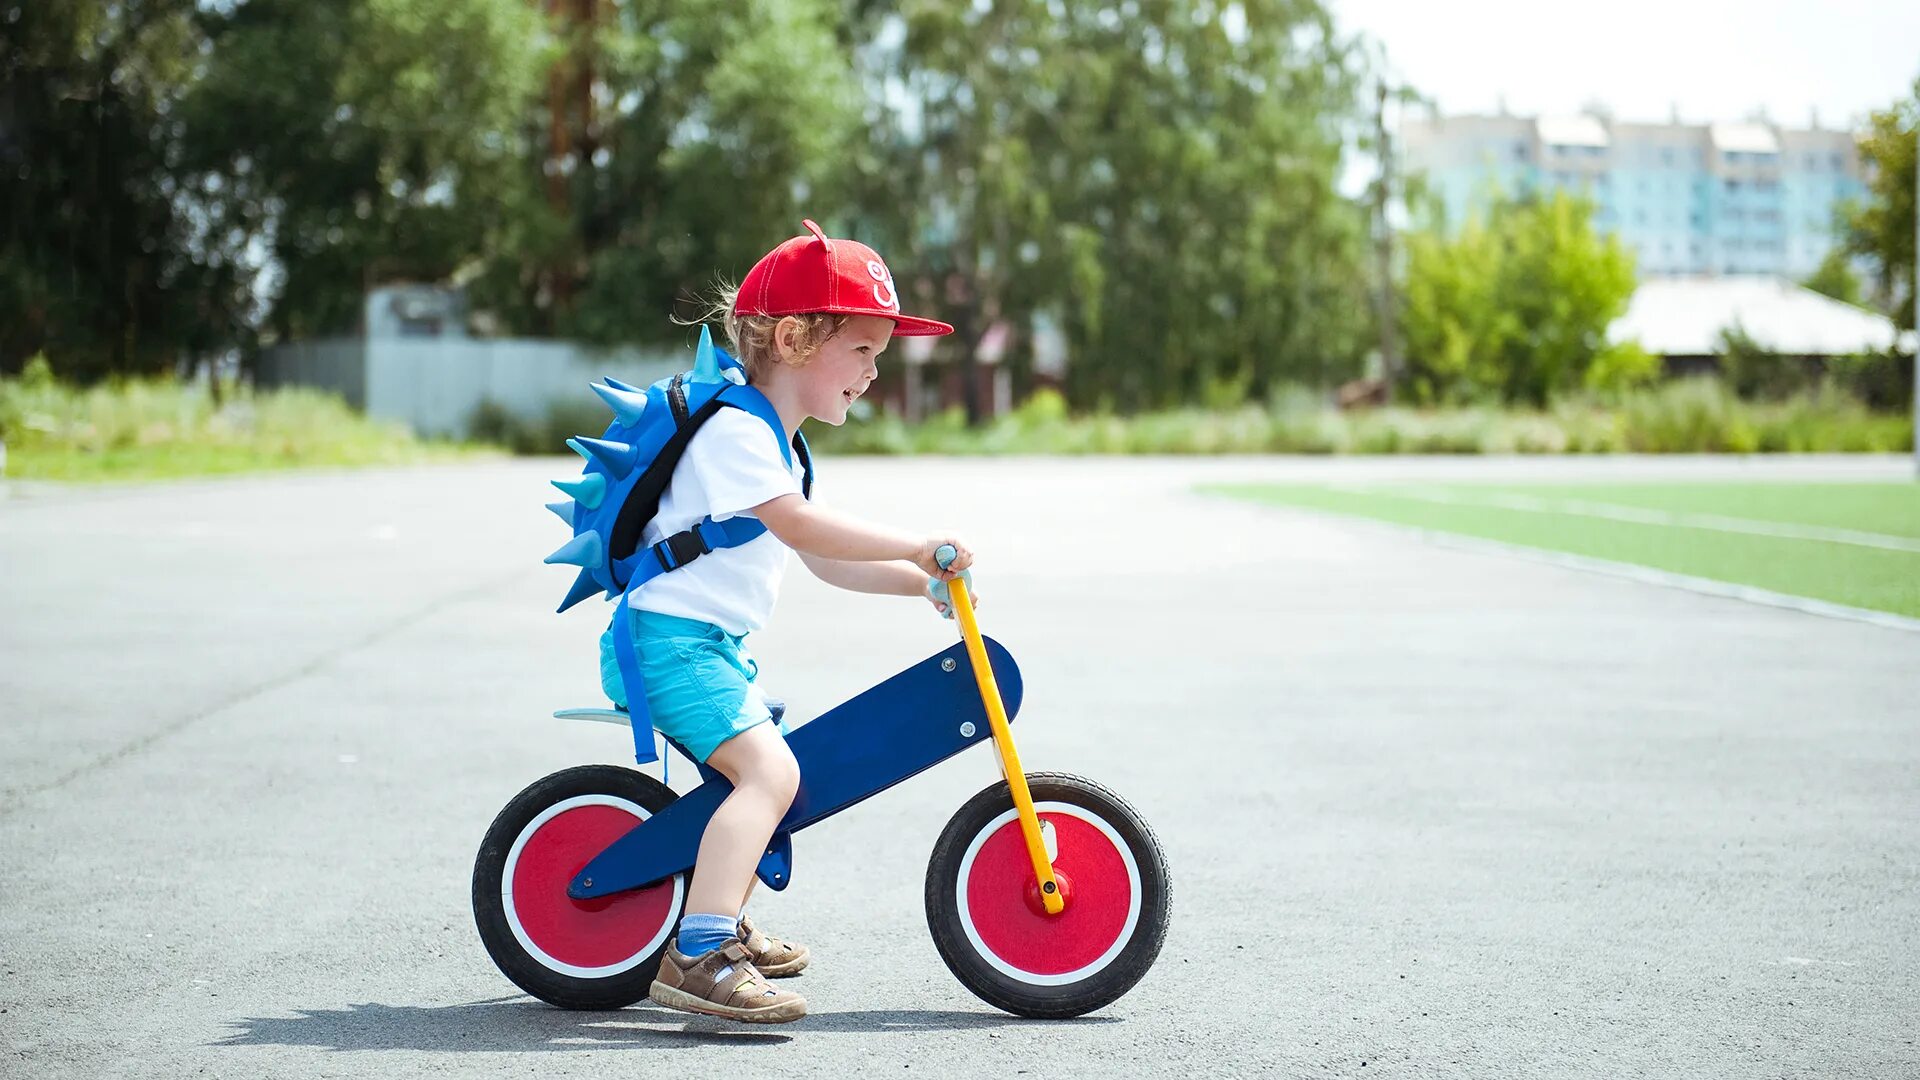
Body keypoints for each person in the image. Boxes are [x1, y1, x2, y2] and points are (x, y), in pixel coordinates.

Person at [599, 219, 973, 1023]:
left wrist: (918, 583)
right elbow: (805, 530)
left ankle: (717, 913)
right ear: (798, 339)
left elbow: (828, 561)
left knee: (765, 774)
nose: (872, 374)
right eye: (864, 352)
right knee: (771, 775)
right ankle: (700, 951)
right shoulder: (737, 432)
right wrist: (919, 542)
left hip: (709, 648)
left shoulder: (783, 447)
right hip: (671, 645)